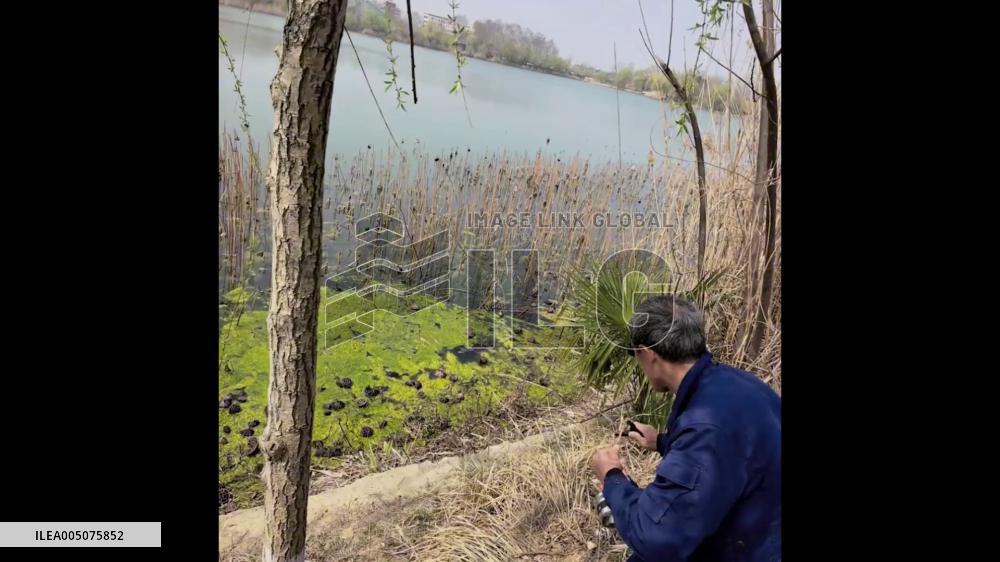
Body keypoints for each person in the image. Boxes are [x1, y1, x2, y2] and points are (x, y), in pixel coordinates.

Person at [591, 294, 781, 561]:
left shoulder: (705, 423)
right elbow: (731, 455)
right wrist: (660, 442)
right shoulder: (737, 383)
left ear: (648, 354)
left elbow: (657, 538)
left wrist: (611, 477)